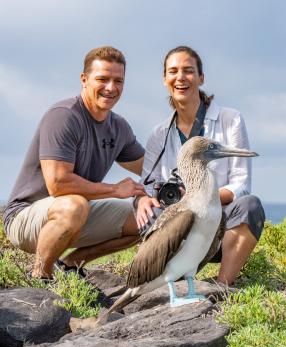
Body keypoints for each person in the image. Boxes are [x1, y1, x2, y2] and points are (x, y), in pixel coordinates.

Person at [2, 46, 146, 280]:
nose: (111, 88)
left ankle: (70, 265)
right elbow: (58, 185)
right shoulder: (64, 116)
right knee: (74, 205)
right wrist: (115, 190)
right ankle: (41, 277)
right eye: (102, 79)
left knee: (149, 219)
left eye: (118, 80)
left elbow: (152, 168)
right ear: (84, 79)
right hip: (25, 217)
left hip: (77, 214)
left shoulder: (119, 127)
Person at [136, 45, 265, 286]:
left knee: (250, 206)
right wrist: (143, 199)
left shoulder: (230, 119)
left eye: (188, 70)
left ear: (201, 78)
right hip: (177, 230)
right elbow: (148, 186)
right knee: (147, 213)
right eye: (173, 71)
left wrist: (198, 199)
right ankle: (162, 279)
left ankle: (222, 286)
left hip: (215, 226)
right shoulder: (159, 134)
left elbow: (241, 185)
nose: (180, 77)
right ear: (165, 79)